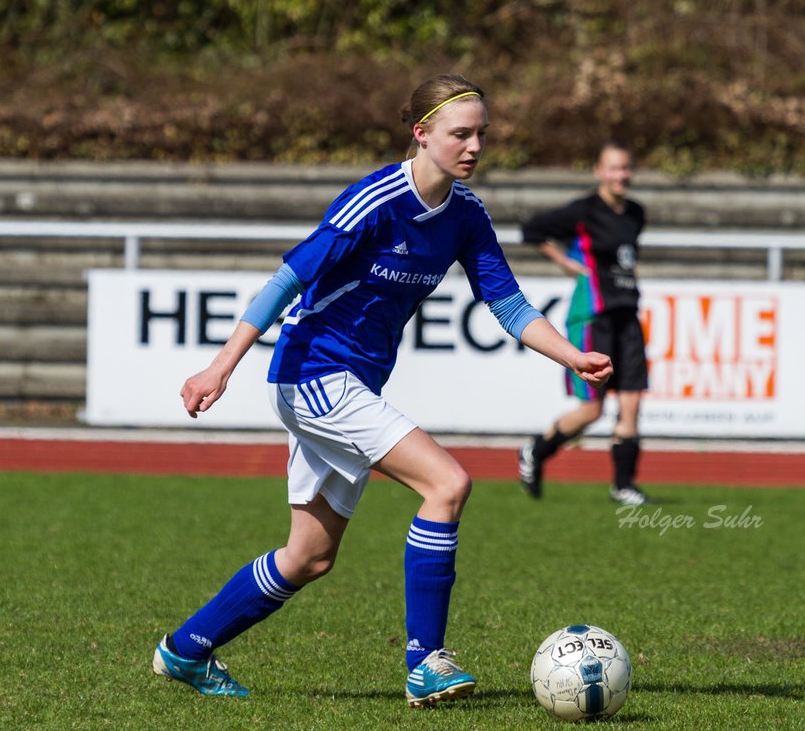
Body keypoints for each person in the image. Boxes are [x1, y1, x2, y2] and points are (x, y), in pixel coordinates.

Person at [156, 75, 613, 706]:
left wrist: (572, 355)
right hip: (312, 374)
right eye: (461, 133)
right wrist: (219, 367)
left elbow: (506, 303)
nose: (475, 145)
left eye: (482, 133)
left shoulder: (466, 215)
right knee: (447, 484)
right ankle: (425, 663)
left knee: (309, 556)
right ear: (421, 133)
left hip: (351, 382)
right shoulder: (374, 200)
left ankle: (185, 651)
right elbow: (289, 275)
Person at [517, 140, 650, 505]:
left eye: (625, 168)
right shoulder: (584, 211)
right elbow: (531, 230)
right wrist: (564, 262)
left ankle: (623, 485)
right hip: (593, 315)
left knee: (632, 401)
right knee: (592, 409)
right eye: (613, 168)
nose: (620, 175)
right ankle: (536, 451)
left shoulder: (636, 213)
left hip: (627, 313)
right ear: (598, 172)